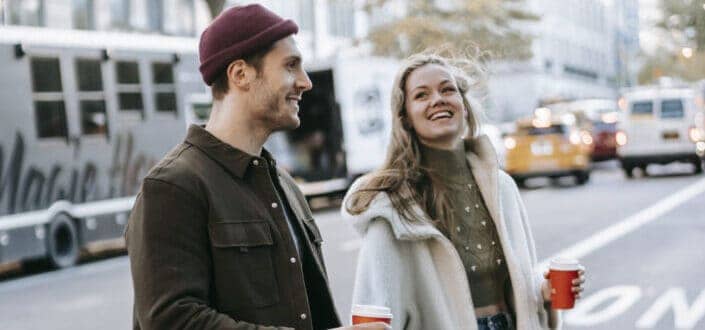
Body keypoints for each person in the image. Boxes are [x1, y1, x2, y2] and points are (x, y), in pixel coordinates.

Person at [126, 5, 386, 330]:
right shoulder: (173, 187)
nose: (305, 82)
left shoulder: (284, 183)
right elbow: (173, 321)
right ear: (240, 75)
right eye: (291, 66)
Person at [342, 51, 586, 330]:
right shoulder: (391, 202)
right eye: (421, 95)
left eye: (448, 89)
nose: (438, 99)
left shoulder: (501, 186)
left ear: (464, 104)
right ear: (405, 116)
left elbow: (519, 285)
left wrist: (543, 292)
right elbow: (374, 309)